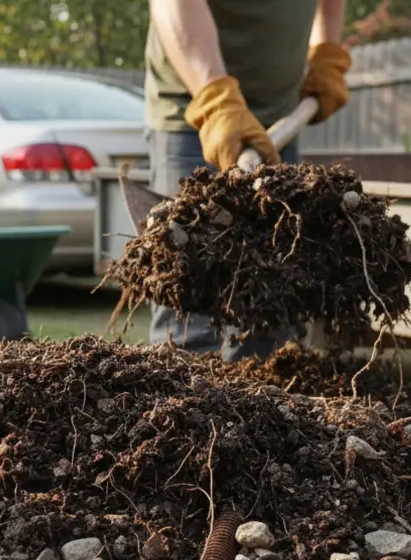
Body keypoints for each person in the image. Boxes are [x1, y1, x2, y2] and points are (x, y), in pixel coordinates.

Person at [142, 0, 352, 361]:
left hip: (278, 125)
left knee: (272, 302)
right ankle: (186, 412)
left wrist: (326, 51)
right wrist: (215, 101)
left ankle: (264, 415)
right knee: (192, 309)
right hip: (196, 117)